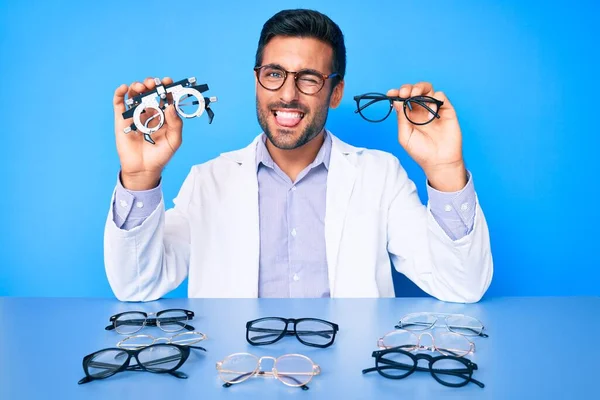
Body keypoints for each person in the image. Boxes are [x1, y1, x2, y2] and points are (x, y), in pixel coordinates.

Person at [105, 9, 493, 302]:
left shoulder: (380, 177)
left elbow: (463, 285)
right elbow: (137, 285)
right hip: (238, 378)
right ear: (257, 81)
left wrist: (446, 170)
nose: (287, 94)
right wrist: (139, 178)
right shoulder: (209, 180)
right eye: (274, 74)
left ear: (336, 92)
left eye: (308, 78)